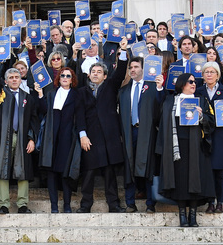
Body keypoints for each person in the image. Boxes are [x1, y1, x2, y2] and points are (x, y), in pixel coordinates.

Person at [75, 36, 129, 213]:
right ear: (89, 75)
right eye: (93, 72)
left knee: (110, 173)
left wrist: (122, 53)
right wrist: (82, 135)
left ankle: (114, 204)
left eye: (99, 71)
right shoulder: (82, 92)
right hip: (90, 137)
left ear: (105, 76)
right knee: (89, 173)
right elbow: (80, 115)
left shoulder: (110, 86)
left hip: (109, 137)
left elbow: (120, 72)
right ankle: (85, 205)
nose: (96, 74)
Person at [155, 73, 215, 227]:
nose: (193, 84)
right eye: (190, 82)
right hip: (176, 146)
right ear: (182, 84)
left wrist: (202, 117)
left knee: (194, 180)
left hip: (196, 146)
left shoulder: (201, 100)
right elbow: (159, 119)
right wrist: (159, 88)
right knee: (181, 181)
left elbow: (211, 121)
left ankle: (193, 216)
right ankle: (182, 215)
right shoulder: (170, 101)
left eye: (195, 82)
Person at [0, 66, 39, 214]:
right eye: (11, 78)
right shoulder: (0, 95)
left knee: (22, 169)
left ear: (21, 79)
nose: (14, 80)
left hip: (22, 137)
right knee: (3, 169)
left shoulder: (27, 98)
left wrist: (31, 138)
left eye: (17, 77)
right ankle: (4, 204)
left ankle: (22, 204)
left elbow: (33, 120)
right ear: (6, 81)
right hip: (4, 137)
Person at [118, 57, 164, 213]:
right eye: (130, 67)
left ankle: (150, 204)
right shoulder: (124, 90)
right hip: (129, 132)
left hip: (147, 131)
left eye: (136, 67)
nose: (132, 70)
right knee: (129, 167)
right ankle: (130, 203)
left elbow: (160, 109)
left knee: (148, 166)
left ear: (143, 69)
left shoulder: (152, 87)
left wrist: (159, 89)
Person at [36, 66, 82, 213]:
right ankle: (54, 206)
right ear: (58, 78)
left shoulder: (76, 95)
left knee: (65, 171)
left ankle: (67, 205)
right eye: (62, 75)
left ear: (72, 79)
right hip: (51, 136)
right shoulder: (51, 94)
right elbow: (43, 110)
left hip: (68, 137)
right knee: (51, 171)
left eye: (68, 76)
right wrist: (40, 94)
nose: (65, 78)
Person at [196, 62, 223, 213]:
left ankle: (220, 202)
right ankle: (210, 202)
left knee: (220, 171)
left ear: (218, 75)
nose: (209, 74)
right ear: (203, 75)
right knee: (208, 171)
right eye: (206, 72)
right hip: (204, 136)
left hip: (221, 135)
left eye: (212, 72)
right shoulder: (198, 91)